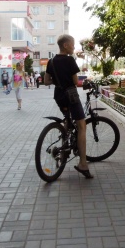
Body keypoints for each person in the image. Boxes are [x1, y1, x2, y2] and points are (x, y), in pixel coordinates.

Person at [44, 34, 92, 179]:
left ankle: (64, 146)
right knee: (82, 125)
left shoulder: (51, 61)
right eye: (72, 44)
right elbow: (75, 81)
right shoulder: (70, 60)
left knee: (67, 119)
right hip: (71, 96)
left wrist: (58, 81)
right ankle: (83, 164)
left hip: (59, 95)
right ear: (65, 45)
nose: (73, 46)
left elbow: (46, 81)